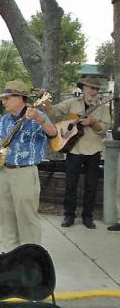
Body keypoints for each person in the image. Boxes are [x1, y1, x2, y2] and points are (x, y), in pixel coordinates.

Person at [0, 81, 57, 249]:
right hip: (5, 171)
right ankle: (11, 254)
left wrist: (40, 119)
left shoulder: (37, 115)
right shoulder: (4, 119)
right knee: (7, 215)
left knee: (27, 217)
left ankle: (31, 256)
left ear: (21, 98)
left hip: (25, 172)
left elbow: (54, 133)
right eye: (3, 98)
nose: (3, 101)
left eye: (7, 98)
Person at [44, 75, 111, 229]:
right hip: (74, 149)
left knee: (91, 186)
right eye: (91, 88)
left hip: (94, 150)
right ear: (84, 88)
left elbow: (104, 129)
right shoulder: (71, 103)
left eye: (96, 89)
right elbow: (54, 112)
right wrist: (45, 101)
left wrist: (93, 122)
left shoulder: (103, 107)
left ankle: (88, 217)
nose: (93, 91)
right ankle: (69, 215)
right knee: (71, 185)